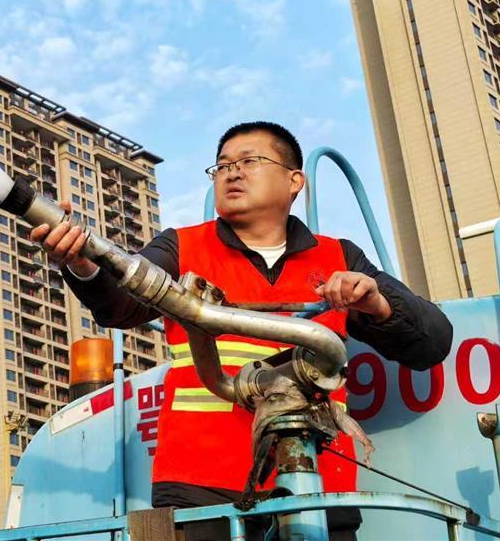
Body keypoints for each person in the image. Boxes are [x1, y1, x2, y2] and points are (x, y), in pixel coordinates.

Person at [30, 121, 453, 541]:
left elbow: (432, 342)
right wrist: (81, 264)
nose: (232, 171)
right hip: (201, 489)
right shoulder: (182, 246)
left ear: (294, 181)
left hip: (320, 485)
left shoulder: (338, 255)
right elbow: (121, 305)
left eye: (250, 160)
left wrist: (374, 302)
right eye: (222, 165)